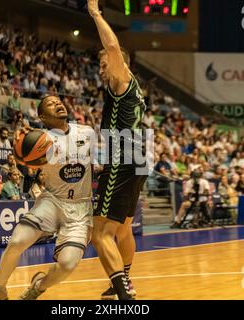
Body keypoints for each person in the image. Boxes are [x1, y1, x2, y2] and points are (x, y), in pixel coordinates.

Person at [0, 95, 94, 300]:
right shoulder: (39, 139)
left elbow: (95, 166)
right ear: (42, 116)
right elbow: (25, 159)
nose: (58, 103)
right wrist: (20, 149)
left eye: (58, 101)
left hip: (81, 207)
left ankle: (37, 288)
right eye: (51, 104)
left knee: (68, 264)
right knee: (16, 242)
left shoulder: (87, 133)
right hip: (53, 200)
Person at [89, 0, 147, 300]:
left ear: (117, 62)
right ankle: (124, 280)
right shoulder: (126, 89)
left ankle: (124, 293)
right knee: (122, 231)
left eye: (103, 63)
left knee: (99, 233)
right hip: (138, 159)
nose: (100, 69)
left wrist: (95, 13)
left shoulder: (123, 79)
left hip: (124, 159)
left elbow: (112, 44)